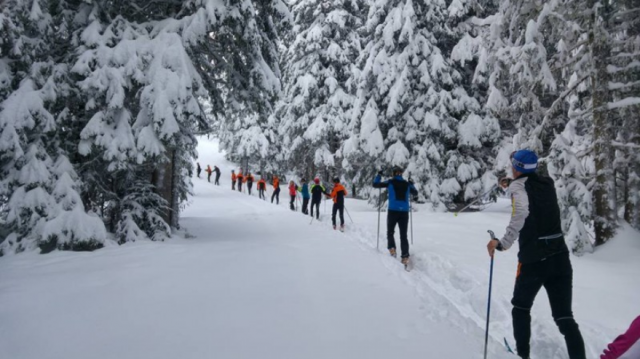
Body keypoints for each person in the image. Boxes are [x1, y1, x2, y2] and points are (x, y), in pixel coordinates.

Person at [486, 149, 586, 359]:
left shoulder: (518, 186)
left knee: (520, 308)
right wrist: (509, 184)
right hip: (560, 257)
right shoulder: (547, 183)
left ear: (516, 168)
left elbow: (521, 211)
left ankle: (523, 355)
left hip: (533, 261)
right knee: (565, 317)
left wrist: (503, 243)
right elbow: (529, 189)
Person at [373, 167, 418, 265]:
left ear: (394, 174)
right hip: (404, 212)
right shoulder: (407, 184)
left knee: (390, 232)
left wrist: (379, 175)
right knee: (403, 236)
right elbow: (415, 193)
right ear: (401, 174)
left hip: (393, 211)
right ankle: (405, 257)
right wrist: (411, 184)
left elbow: (375, 184)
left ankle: (392, 249)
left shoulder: (390, 182)